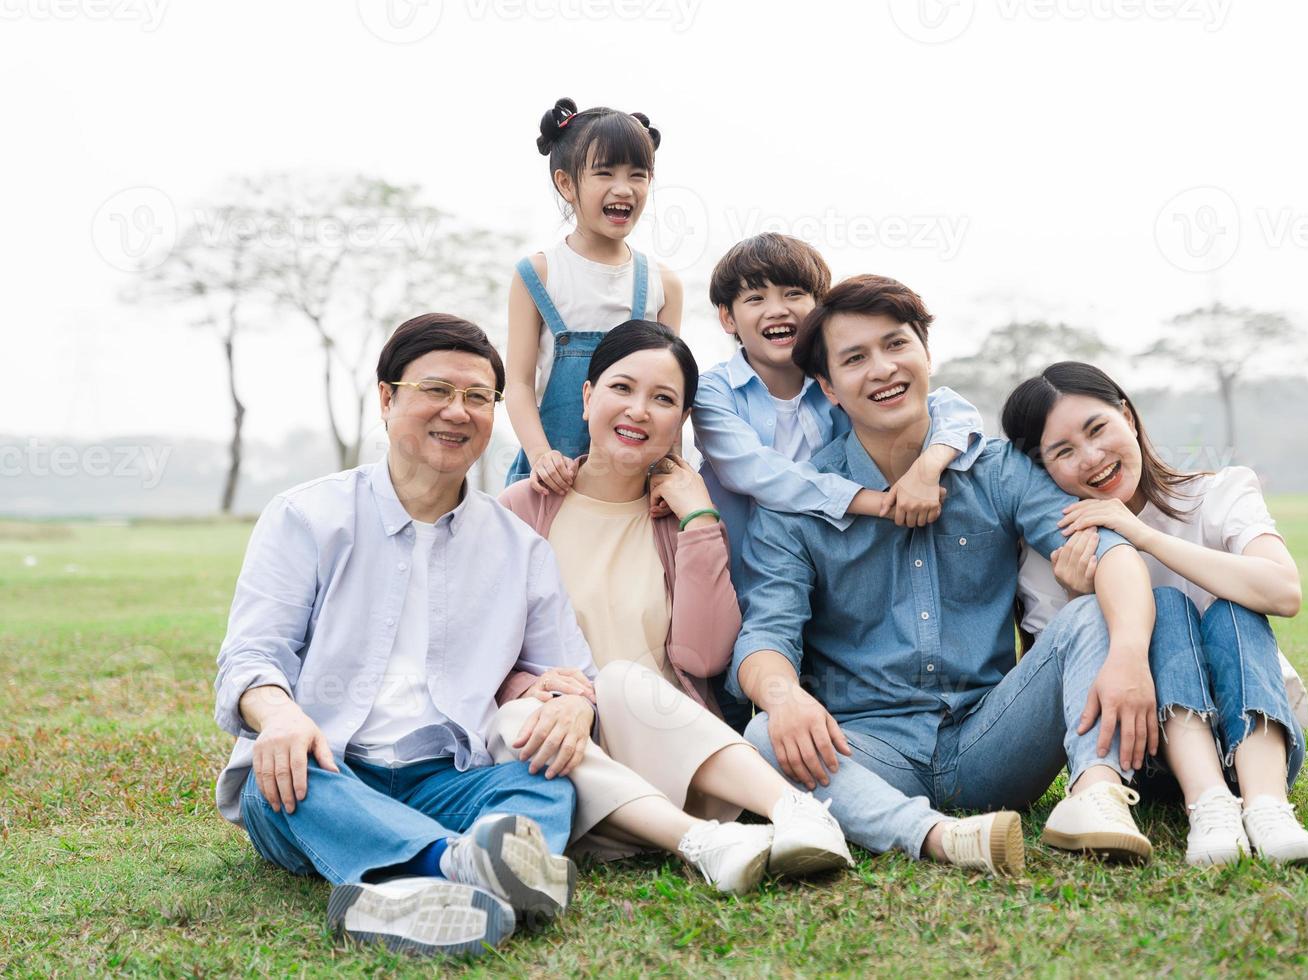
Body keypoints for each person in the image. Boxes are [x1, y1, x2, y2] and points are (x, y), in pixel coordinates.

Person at [730, 275, 1164, 875]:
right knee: (762, 734)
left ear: (926, 354)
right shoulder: (800, 501)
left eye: (896, 345)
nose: (882, 369)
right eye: (855, 359)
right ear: (828, 387)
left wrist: (1130, 654)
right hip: (869, 748)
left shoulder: (998, 469)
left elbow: (1107, 548)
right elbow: (764, 634)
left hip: (993, 737)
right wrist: (784, 698)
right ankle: (939, 837)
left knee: (1092, 612)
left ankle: (1095, 796)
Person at [213, 313, 594, 956]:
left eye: (478, 397)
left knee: (545, 783)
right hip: (329, 770)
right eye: (436, 390)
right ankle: (462, 866)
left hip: (450, 778)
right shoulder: (307, 516)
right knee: (276, 780)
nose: (458, 411)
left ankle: (395, 895)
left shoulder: (520, 548)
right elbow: (253, 654)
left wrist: (577, 705)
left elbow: (568, 671)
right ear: (387, 399)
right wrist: (277, 716)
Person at [495, 319, 854, 894]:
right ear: (587, 398)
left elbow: (706, 657)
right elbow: (480, 654)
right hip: (561, 762)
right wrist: (538, 693)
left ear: (681, 420)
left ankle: (799, 815)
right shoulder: (521, 509)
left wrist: (699, 519)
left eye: (663, 399)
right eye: (621, 389)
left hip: (674, 758)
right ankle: (702, 843)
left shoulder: (682, 519)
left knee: (618, 682)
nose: (639, 410)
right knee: (534, 710)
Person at [1003, 361, 1308, 866]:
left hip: (1257, 743)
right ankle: (1209, 806)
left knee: (1233, 606)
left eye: (1098, 429)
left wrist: (1143, 536)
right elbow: (1063, 691)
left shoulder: (1217, 493)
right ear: (1043, 469)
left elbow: (1284, 591)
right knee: (1167, 607)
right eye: (1063, 451)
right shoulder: (1055, 549)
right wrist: (1079, 596)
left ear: (1128, 417)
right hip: (1146, 757)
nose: (1092, 458)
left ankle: (1269, 809)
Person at [692, 233, 985, 728]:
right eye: (755, 298)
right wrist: (873, 502)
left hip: (833, 578)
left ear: (819, 306)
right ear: (727, 318)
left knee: (822, 692)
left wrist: (928, 467)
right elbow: (756, 473)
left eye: (793, 294)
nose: (776, 309)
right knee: (737, 704)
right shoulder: (713, 392)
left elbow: (950, 408)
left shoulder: (837, 381)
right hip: (740, 579)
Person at [503, 97, 684, 490]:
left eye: (638, 174)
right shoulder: (537, 274)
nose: (624, 189)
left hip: (630, 486)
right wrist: (540, 456)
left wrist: (670, 473)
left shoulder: (662, 283)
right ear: (566, 183)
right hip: (551, 479)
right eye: (604, 173)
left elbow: (673, 391)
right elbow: (516, 383)